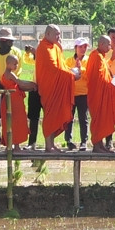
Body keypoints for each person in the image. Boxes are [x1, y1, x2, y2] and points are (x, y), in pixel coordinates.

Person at [35, 25, 77, 153]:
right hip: (49, 88)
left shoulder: (54, 47)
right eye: (56, 34)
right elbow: (53, 69)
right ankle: (48, 145)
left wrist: (70, 72)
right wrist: (71, 75)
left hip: (57, 86)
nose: (59, 37)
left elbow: (62, 66)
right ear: (47, 34)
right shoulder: (44, 48)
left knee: (56, 115)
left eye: (59, 34)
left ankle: (52, 144)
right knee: (50, 115)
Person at [0, 27, 24, 148]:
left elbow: (17, 69)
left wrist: (7, 81)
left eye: (11, 41)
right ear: (1, 41)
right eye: (8, 41)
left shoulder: (17, 53)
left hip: (12, 87)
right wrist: (0, 82)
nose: (11, 43)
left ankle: (13, 140)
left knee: (12, 115)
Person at [86, 35, 115, 153]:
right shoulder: (96, 56)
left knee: (102, 119)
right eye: (108, 44)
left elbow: (105, 74)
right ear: (101, 44)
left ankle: (100, 145)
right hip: (97, 94)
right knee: (98, 118)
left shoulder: (101, 57)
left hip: (102, 93)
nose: (110, 47)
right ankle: (96, 145)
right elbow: (99, 79)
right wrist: (112, 87)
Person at [1, 55, 36, 152]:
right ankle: (15, 146)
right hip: (13, 101)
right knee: (16, 122)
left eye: (17, 63)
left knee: (13, 122)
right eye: (14, 64)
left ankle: (13, 146)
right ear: (8, 64)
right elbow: (20, 83)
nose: (16, 66)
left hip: (13, 99)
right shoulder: (10, 74)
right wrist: (32, 84)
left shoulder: (8, 73)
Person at [64, 37, 90, 151]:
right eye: (80, 46)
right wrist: (73, 70)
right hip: (71, 93)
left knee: (83, 118)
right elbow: (65, 72)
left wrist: (81, 69)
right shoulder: (69, 60)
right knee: (69, 117)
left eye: (85, 46)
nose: (83, 49)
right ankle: (68, 141)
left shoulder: (89, 60)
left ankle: (84, 141)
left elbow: (90, 74)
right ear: (75, 48)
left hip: (84, 92)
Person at [22, 43, 41, 150]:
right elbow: (27, 60)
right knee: (33, 117)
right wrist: (28, 52)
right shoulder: (37, 58)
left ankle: (49, 143)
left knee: (49, 117)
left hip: (47, 89)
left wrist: (35, 52)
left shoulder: (51, 56)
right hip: (35, 87)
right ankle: (32, 143)